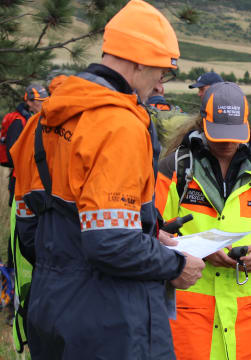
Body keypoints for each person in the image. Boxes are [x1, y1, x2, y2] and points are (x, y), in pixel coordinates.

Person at [10, 1, 205, 358]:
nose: (161, 84)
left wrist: (147, 232)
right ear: (139, 61)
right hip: (113, 320)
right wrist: (175, 266)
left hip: (49, 308)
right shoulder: (120, 124)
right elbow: (110, 243)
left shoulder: (43, 122)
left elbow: (28, 233)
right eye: (162, 71)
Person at [155, 81, 251, 360]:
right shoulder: (175, 169)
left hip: (249, 322)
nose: (228, 142)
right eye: (220, 134)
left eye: (234, 134)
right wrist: (197, 252)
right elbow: (150, 233)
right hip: (191, 321)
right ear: (203, 124)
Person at [1, 84, 47, 205]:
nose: (42, 104)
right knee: (18, 219)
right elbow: (12, 155)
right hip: (19, 179)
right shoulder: (18, 121)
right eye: (39, 101)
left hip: (29, 179)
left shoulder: (35, 118)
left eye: (43, 101)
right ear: (29, 102)